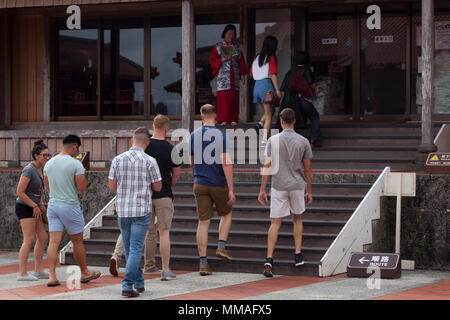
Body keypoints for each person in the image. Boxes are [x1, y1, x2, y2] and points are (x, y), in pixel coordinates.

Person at [109, 115, 181, 281]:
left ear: (152, 126)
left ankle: (118, 256)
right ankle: (164, 269)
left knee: (142, 229)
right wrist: (170, 184)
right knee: (164, 232)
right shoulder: (172, 149)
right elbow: (176, 174)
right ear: (166, 128)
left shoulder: (143, 146)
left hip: (142, 196)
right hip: (163, 194)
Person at [258, 108, 313, 278]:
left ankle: (269, 259)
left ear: (281, 121)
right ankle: (298, 254)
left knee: (275, 223)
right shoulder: (303, 141)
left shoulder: (273, 140)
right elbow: (308, 168)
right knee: (297, 218)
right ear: (294, 120)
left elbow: (267, 166)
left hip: (279, 185)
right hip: (297, 185)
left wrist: (262, 189)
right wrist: (309, 190)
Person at [108, 127, 162, 298]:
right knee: (136, 249)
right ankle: (127, 285)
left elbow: (111, 186)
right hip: (141, 210)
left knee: (131, 249)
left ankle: (139, 282)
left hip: (122, 211)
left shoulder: (117, 159)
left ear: (132, 141)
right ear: (147, 142)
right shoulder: (150, 161)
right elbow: (158, 186)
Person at [44, 135, 101, 287]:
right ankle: (84, 272)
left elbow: (48, 186)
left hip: (53, 205)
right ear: (75, 146)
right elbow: (82, 187)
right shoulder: (76, 164)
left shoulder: (49, 164)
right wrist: (86, 179)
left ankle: (52, 276)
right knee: (77, 241)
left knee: (53, 242)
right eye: (78, 149)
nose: (78, 152)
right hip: (70, 205)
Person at [190, 104, 236, 276]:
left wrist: (197, 175)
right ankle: (221, 245)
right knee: (226, 213)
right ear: (215, 116)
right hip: (218, 182)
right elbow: (226, 162)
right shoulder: (221, 136)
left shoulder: (193, 136)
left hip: (200, 182)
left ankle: (203, 263)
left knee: (203, 222)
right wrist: (231, 189)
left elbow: (192, 160)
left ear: (202, 116)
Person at [15, 140, 51, 281]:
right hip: (25, 207)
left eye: (49, 155)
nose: (47, 158)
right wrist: (34, 206)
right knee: (28, 239)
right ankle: (22, 273)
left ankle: (38, 269)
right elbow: (20, 192)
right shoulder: (29, 169)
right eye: (44, 155)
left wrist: (41, 205)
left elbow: (38, 191)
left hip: (35, 208)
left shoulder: (40, 169)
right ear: (36, 155)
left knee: (42, 237)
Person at [278, 51, 322, 147]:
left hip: (289, 100)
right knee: (314, 117)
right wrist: (316, 89)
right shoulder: (306, 70)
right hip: (302, 99)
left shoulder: (290, 71)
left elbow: (284, 87)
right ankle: (314, 140)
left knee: (292, 120)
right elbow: (311, 83)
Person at [209, 24, 247, 126]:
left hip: (234, 75)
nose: (231, 36)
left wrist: (242, 74)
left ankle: (233, 119)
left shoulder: (237, 47)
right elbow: (212, 60)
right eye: (229, 34)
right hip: (223, 76)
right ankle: (223, 120)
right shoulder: (218, 46)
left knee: (234, 97)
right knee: (223, 98)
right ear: (224, 34)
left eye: (233, 34)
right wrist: (223, 59)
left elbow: (241, 61)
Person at [251, 35, 281, 144]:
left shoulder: (256, 57)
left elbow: (252, 73)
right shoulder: (271, 57)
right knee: (269, 114)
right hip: (266, 86)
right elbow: (272, 74)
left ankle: (260, 123)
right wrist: (277, 90)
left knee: (270, 109)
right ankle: (264, 139)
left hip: (256, 87)